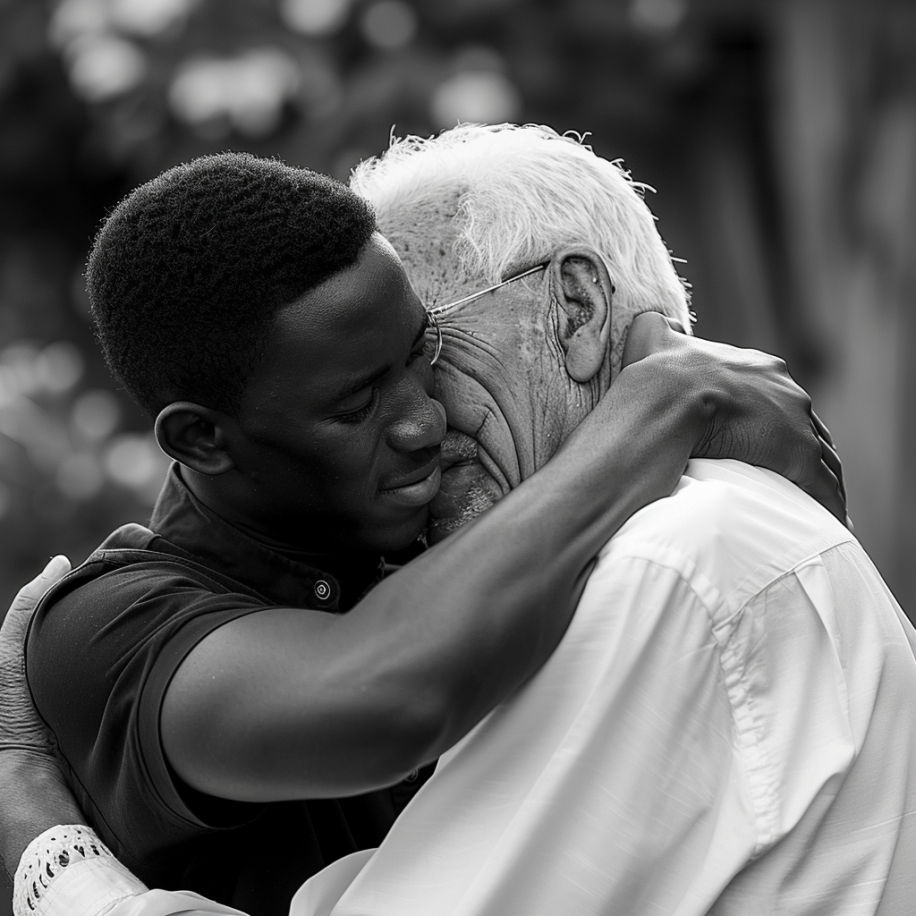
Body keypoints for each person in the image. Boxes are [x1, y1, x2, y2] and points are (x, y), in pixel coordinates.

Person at [0, 132, 847, 916]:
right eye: (356, 404)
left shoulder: (452, 537)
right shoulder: (106, 631)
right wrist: (665, 399)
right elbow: (385, 696)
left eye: (423, 353)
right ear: (201, 438)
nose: (422, 422)